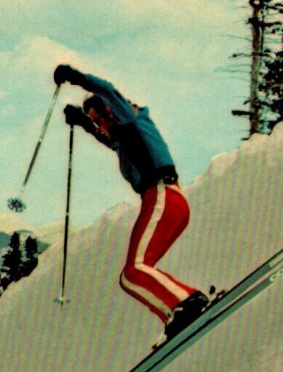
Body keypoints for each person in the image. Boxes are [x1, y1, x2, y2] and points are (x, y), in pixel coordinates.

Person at [53, 64, 209, 341]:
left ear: (110, 111)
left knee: (136, 267)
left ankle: (187, 302)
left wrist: (76, 78)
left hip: (164, 196)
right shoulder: (123, 137)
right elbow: (110, 141)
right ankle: (176, 312)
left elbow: (108, 91)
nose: (100, 127)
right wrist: (82, 122)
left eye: (99, 119)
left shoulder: (130, 120)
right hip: (162, 200)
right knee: (130, 277)